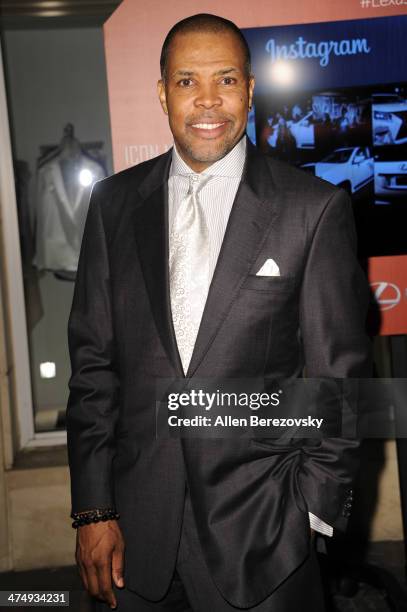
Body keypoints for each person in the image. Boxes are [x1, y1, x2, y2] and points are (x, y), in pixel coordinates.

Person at [66, 13, 372, 612]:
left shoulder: (313, 210)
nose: (208, 101)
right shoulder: (113, 205)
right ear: (161, 93)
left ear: (251, 89)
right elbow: (93, 368)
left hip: (264, 536)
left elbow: (339, 384)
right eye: (186, 82)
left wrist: (309, 514)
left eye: (226, 79)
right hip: (133, 534)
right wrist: (93, 509)